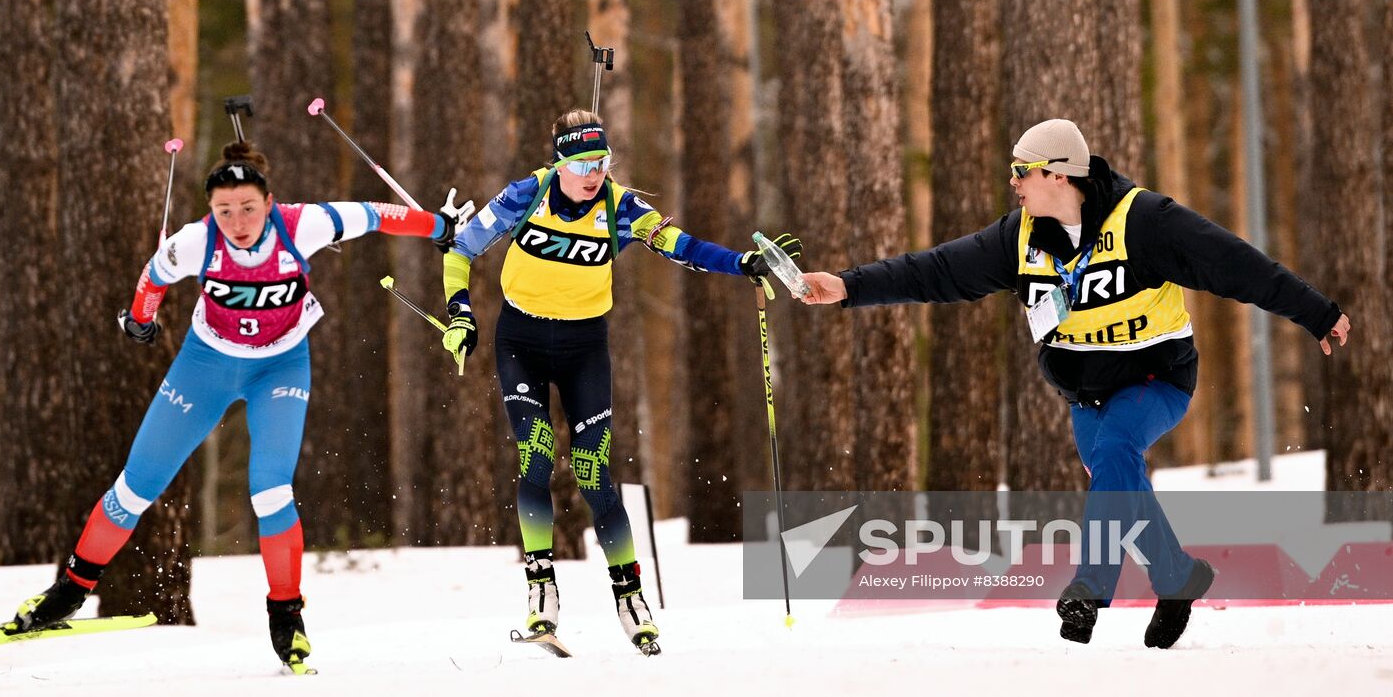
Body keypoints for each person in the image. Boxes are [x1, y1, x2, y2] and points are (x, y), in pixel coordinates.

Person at [797, 118, 1350, 649]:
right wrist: (846, 286)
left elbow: (1236, 265)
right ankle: (1178, 577)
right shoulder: (1018, 239)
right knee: (1119, 479)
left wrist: (1316, 312)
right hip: (1086, 393)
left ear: (1059, 174)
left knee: (1115, 451)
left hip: (1157, 378)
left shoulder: (1144, 222)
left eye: (1022, 170)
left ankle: (1089, 589)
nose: (1013, 182)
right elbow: (935, 270)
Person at [0, 141, 459, 670]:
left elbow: (377, 215)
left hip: (279, 368)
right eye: (224, 211)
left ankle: (286, 615)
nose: (237, 222)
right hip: (205, 367)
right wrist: (140, 320)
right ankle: (70, 592)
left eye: (247, 208)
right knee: (134, 488)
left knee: (271, 490)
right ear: (210, 210)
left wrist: (439, 227)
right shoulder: (196, 242)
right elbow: (153, 276)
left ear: (269, 202)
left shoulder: (303, 225)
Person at [441, 109, 796, 653]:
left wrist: (741, 262)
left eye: (602, 161)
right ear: (559, 163)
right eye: (583, 163)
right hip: (521, 341)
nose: (595, 174)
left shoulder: (621, 207)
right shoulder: (525, 196)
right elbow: (460, 248)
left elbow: (682, 246)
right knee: (536, 453)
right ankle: (541, 591)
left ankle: (631, 598)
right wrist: (461, 314)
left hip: (584, 347)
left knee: (592, 471)